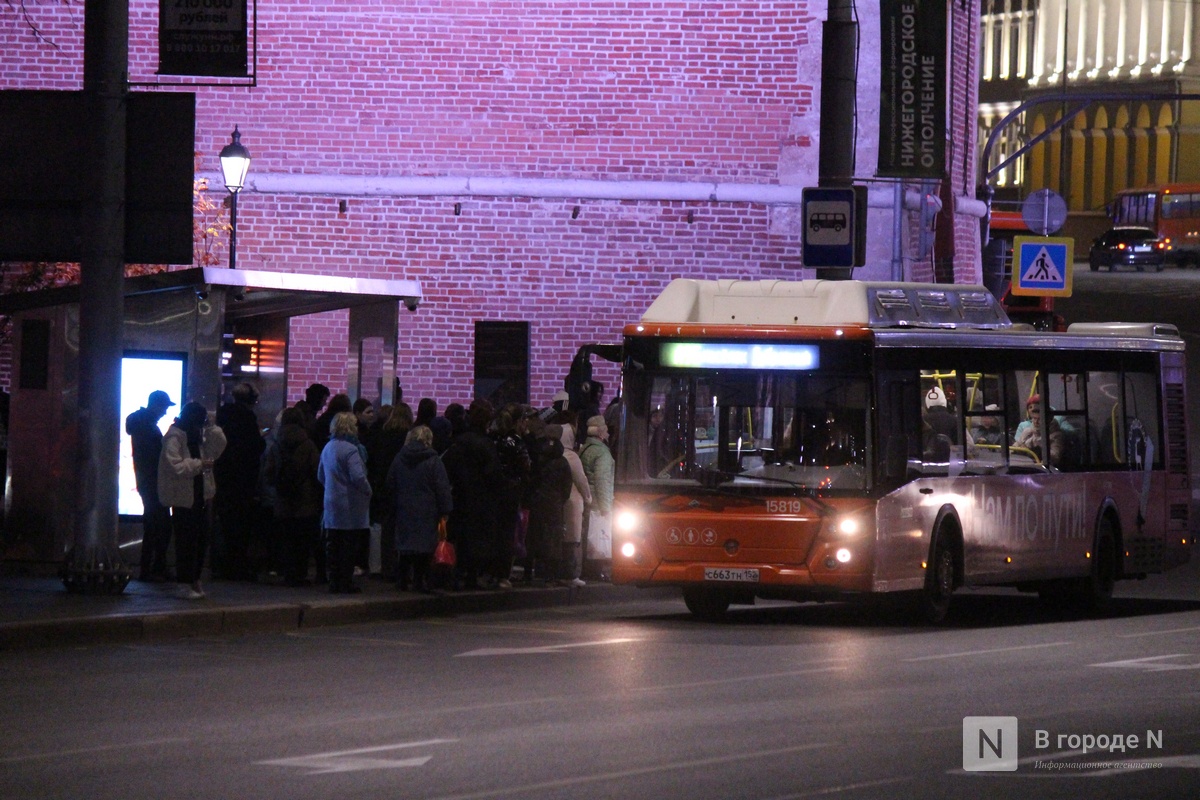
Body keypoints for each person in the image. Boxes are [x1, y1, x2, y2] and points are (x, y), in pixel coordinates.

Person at [158, 402, 227, 600]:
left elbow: (220, 443)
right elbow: (175, 466)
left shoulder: (197, 436)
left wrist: (210, 424)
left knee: (200, 540)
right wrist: (199, 464)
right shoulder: (175, 436)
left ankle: (194, 579)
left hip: (200, 495)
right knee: (186, 542)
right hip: (183, 498)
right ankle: (184, 582)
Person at [441, 401, 502, 588]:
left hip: (460, 495)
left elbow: (448, 468)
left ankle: (456, 574)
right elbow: (493, 474)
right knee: (478, 539)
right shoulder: (486, 444)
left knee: (461, 536)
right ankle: (472, 576)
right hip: (481, 497)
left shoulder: (459, 442)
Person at [386, 425, 453, 593]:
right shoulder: (433, 460)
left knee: (405, 546)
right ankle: (419, 581)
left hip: (404, 508)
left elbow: (390, 483)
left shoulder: (399, 458)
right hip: (427, 510)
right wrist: (445, 510)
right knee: (424, 548)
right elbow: (442, 488)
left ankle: (401, 580)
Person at [213, 382, 266, 581]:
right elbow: (254, 447)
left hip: (223, 478)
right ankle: (237, 566)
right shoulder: (247, 419)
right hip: (243, 480)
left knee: (226, 523)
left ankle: (223, 564)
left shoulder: (223, 415)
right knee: (241, 525)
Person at [264, 407, 322, 586]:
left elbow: (268, 473)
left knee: (286, 539)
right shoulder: (308, 444)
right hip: (305, 500)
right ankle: (300, 575)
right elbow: (317, 473)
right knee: (302, 541)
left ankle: (288, 573)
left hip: (283, 499)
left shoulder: (276, 444)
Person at [317, 411, 372, 593]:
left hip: (331, 502)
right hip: (350, 504)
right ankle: (345, 582)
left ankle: (334, 581)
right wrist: (367, 490)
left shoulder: (328, 447)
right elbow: (358, 476)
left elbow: (321, 475)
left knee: (333, 545)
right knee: (348, 546)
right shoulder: (351, 450)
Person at [126, 390, 175, 582]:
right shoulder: (148, 427)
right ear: (156, 405)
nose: (164, 412)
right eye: (163, 407)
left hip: (146, 481)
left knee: (153, 525)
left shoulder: (140, 423)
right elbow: (156, 457)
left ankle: (150, 568)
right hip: (153, 482)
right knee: (160, 526)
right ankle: (154, 569)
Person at [526, 421, 572, 583]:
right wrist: (560, 499)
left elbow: (531, 480)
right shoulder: (562, 461)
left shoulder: (538, 459)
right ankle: (551, 573)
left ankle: (531, 571)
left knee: (535, 536)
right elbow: (567, 486)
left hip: (538, 501)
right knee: (553, 538)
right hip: (554, 503)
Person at [580, 414, 615, 577]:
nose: (608, 432)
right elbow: (603, 480)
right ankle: (595, 570)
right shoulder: (602, 453)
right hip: (597, 502)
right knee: (598, 536)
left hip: (586, 498)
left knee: (587, 534)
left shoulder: (584, 448)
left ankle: (586, 569)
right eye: (606, 429)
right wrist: (606, 507)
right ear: (600, 432)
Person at [559, 421, 592, 588]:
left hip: (559, 501)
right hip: (573, 501)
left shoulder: (555, 454)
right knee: (572, 539)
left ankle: (557, 573)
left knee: (560, 537)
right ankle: (571, 575)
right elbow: (581, 481)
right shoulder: (572, 457)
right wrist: (588, 498)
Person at [1013, 394, 1065, 465]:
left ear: (1048, 420)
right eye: (1034, 418)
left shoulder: (1055, 436)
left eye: (1040, 419)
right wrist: (1016, 449)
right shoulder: (1027, 431)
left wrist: (1039, 451)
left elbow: (1055, 457)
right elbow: (1016, 446)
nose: (1036, 422)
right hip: (1024, 465)